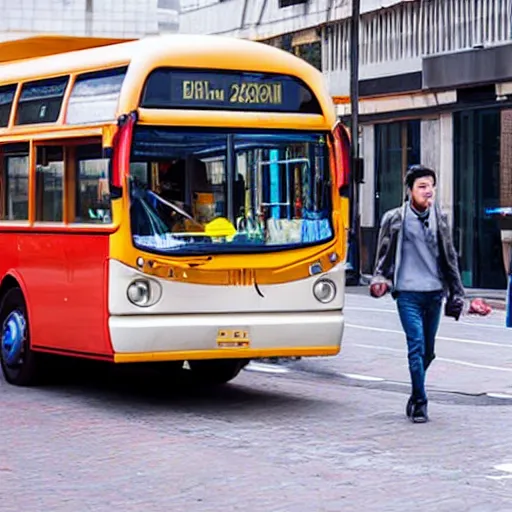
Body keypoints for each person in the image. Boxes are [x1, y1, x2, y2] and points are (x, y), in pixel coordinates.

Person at [370, 165, 465, 423]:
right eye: (422, 186)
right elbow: (383, 257)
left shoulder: (440, 219)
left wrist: (457, 292)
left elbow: (450, 258)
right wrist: (380, 280)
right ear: (410, 190)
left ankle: (414, 393)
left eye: (431, 186)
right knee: (416, 347)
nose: (428, 191)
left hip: (434, 294)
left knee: (429, 352)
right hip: (408, 294)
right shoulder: (394, 218)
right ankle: (421, 403)